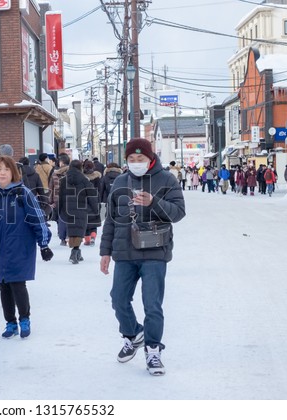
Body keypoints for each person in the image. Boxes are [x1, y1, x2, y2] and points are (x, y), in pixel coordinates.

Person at [99, 138, 186, 376]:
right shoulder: (119, 181)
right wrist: (105, 252)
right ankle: (133, 334)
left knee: (152, 305)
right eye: (131, 159)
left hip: (155, 251)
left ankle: (153, 349)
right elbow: (110, 220)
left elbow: (179, 212)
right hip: (124, 252)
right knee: (118, 299)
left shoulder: (167, 179)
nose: (136, 163)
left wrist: (154, 202)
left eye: (141, 159)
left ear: (151, 158)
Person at [0, 156, 53, 340]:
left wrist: (44, 244)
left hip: (20, 246)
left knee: (17, 283)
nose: (2, 173)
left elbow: (37, 218)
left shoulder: (23, 194)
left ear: (13, 172)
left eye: (6, 169)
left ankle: (24, 319)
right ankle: (10, 322)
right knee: (3, 284)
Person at [58, 160, 100, 263]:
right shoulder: (84, 180)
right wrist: (96, 209)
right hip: (81, 207)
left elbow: (60, 196)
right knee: (80, 229)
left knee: (72, 229)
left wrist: (60, 210)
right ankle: (75, 251)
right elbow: (91, 195)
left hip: (68, 208)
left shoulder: (64, 180)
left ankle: (76, 251)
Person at [50, 153, 70, 245]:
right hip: (70, 197)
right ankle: (68, 236)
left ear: (61, 162)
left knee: (60, 218)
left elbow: (51, 188)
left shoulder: (55, 173)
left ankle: (62, 237)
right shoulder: (72, 172)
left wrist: (51, 200)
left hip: (57, 198)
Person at [81, 160, 102, 247]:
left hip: (83, 200)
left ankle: (87, 240)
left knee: (85, 222)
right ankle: (93, 237)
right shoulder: (97, 176)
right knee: (94, 221)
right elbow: (100, 188)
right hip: (95, 198)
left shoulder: (82, 177)